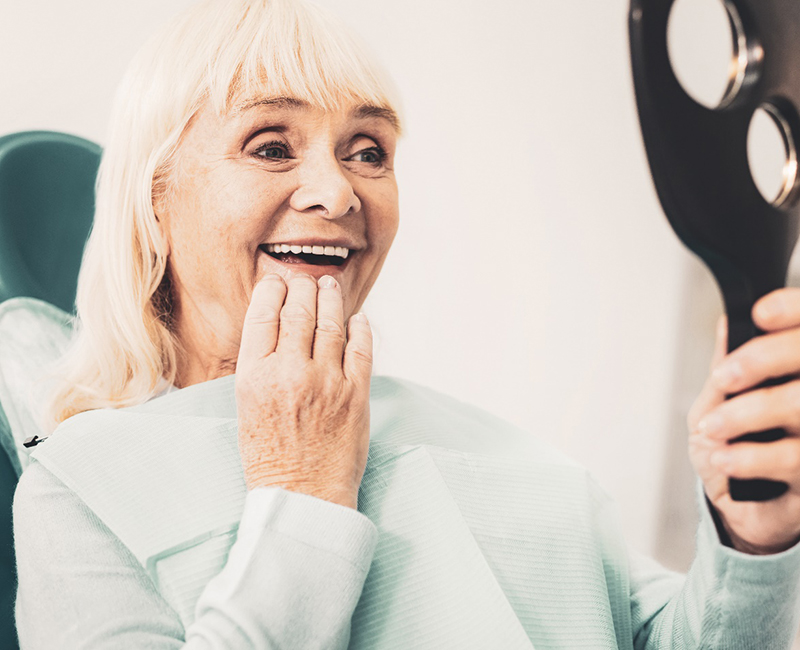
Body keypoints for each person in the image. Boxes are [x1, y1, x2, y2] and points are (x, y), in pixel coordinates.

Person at [11, 0, 800, 647]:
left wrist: (750, 541)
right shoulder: (80, 488)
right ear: (155, 195)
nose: (337, 192)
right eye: (273, 144)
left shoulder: (492, 444)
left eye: (367, 150)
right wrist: (305, 492)